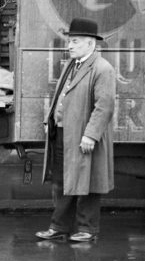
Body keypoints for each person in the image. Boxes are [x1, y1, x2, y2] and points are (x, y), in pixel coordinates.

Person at [36, 17, 115, 243]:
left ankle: (88, 230)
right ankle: (59, 227)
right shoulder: (73, 64)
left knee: (89, 183)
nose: (69, 45)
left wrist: (90, 135)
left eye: (76, 41)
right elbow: (62, 95)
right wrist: (50, 119)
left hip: (85, 135)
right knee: (63, 181)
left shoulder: (102, 68)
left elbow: (105, 106)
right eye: (70, 41)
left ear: (91, 44)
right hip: (64, 133)